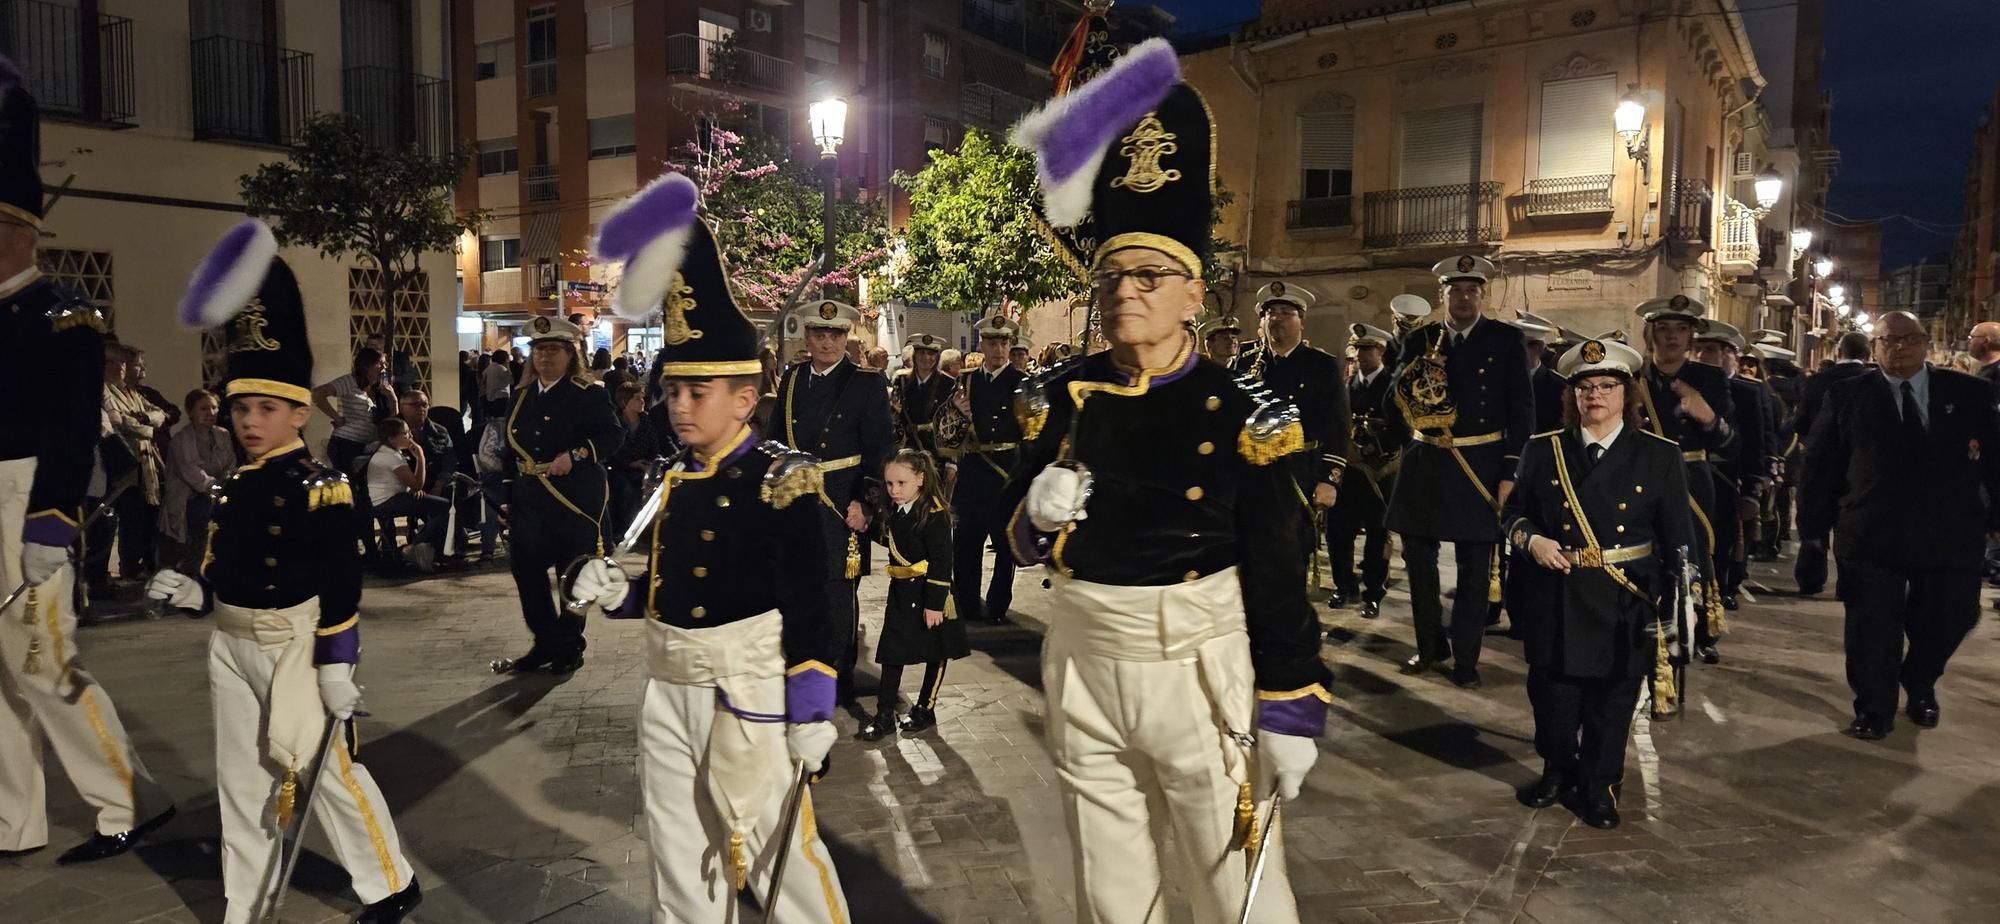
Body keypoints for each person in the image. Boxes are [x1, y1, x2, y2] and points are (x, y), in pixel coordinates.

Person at [1009, 37, 1326, 919]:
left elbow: (1277, 566)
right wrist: (1035, 518)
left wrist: (1292, 697)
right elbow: (1019, 536)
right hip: (1081, 653)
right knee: (1108, 887)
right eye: (1112, 272)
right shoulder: (1063, 397)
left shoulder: (1242, 415)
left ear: (1196, 294)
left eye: (1152, 274)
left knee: (1235, 881)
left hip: (1194, 662)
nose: (1125, 292)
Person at [576, 185, 851, 920]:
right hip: (670, 682)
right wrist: (622, 595)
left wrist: (813, 700)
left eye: (701, 390)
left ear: (746, 396)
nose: (682, 405)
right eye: (674, 391)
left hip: (746, 687)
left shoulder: (780, 479)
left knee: (776, 851)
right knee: (678, 853)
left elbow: (809, 599)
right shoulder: (678, 479)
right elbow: (679, 586)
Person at [152, 227, 420, 922]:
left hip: (294, 641)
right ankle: (248, 900)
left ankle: (388, 879)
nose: (249, 421)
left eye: (265, 407)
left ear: (299, 411)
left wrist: (337, 659)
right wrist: (194, 591)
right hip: (231, 641)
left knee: (324, 769)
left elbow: (341, 579)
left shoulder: (319, 484)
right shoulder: (233, 483)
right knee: (240, 779)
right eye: (241, 408)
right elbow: (218, 560)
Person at [0, 56, 175, 862]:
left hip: (24, 495)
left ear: (16, 231)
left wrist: (49, 519)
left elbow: (73, 432)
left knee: (43, 662)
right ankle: (13, 820)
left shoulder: (61, 318)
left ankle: (130, 800)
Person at [1503, 337, 1695, 830]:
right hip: (1556, 593)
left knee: (1612, 706)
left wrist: (1682, 612)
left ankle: (1601, 787)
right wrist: (1532, 542)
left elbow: (1678, 540)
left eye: (1608, 385)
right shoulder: (1543, 450)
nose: (1595, 396)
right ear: (1572, 395)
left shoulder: (1658, 455)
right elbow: (1515, 515)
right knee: (1553, 701)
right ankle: (1556, 771)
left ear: (1626, 393)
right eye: (1585, 387)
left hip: (1623, 597)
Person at [1798, 312, 2000, 740]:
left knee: (1954, 614)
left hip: (1949, 531)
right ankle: (1874, 709)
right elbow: (1820, 466)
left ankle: (1920, 680)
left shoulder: (1970, 393)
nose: (1899, 349)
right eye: (1888, 341)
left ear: (1926, 343)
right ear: (1875, 348)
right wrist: (1814, 530)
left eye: (1908, 340)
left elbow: (1996, 463)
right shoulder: (1847, 395)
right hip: (1871, 530)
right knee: (1872, 627)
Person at [1383, 255, 1535, 688]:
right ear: (1442, 295)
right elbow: (1393, 399)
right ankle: (1430, 647)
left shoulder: (1506, 340)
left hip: (1479, 465)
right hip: (1425, 463)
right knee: (1418, 564)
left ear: (1482, 295)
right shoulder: (1422, 338)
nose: (1463, 298)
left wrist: (1511, 471)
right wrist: (1418, 375)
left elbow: (1522, 412)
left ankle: (1466, 658)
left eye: (1471, 290)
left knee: (1473, 570)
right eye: (1455, 291)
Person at [775, 299, 894, 705]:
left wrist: (866, 502)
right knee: (795, 588)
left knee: (838, 594)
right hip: (797, 505)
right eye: (820, 334)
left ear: (848, 337)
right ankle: (799, 666)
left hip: (841, 504)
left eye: (836, 334)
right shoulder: (791, 380)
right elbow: (775, 442)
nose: (827, 342)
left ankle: (836, 675)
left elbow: (879, 450)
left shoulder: (867, 382)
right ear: (806, 336)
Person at [488, 314, 623, 674]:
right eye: (538, 350)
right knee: (527, 573)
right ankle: (545, 642)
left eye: (553, 350)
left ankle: (568, 645)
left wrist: (576, 456)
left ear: (570, 353)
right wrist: (506, 496)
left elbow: (613, 436)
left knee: (575, 578)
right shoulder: (520, 396)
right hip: (530, 501)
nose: (545, 357)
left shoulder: (588, 393)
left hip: (574, 500)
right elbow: (510, 451)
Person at [1631, 295, 1736, 665]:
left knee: (1694, 552)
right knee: (1649, 549)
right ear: (1650, 335)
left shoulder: (1709, 378)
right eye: (1663, 329)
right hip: (1643, 476)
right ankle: (1651, 620)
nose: (1671, 337)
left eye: (1680, 329)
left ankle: (1702, 629)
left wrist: (1706, 415)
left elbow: (1727, 439)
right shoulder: (1633, 378)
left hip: (1692, 475)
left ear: (1692, 336)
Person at [1231, 281, 1352, 597]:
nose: (1277, 319)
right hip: (1250, 476)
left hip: (1299, 474)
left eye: (1286, 312)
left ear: (1302, 320)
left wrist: (1330, 480)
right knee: (1248, 556)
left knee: (1290, 558)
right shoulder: (1244, 364)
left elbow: (1337, 427)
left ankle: (1287, 629)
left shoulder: (1320, 366)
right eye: (1270, 313)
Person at [858, 449, 969, 740]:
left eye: (901, 483)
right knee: (892, 653)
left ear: (920, 479)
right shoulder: (898, 508)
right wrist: (864, 526)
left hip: (928, 592)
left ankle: (925, 707)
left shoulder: (935, 513)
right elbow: (895, 540)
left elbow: (943, 561)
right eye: (890, 484)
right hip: (902, 592)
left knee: (937, 651)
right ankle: (884, 716)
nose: (894, 490)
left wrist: (934, 605)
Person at [948, 313, 1026, 625]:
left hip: (1006, 473)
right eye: (992, 342)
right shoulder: (965, 380)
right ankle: (967, 604)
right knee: (966, 543)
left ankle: (997, 607)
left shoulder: (1022, 384)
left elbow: (1032, 434)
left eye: (1004, 342)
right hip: (973, 472)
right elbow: (947, 431)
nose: (998, 348)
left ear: (1010, 345)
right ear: (981, 344)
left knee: (1005, 546)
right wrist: (955, 414)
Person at [1692, 322, 1776, 610]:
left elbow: (1757, 444)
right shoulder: (1683, 387)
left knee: (1723, 545)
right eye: (1699, 349)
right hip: (1692, 480)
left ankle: (1721, 593)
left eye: (1711, 350)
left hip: (1728, 482)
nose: (1703, 355)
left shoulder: (1746, 392)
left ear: (1731, 356)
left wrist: (1753, 490)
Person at [1327, 323, 1406, 620]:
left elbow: (1402, 430)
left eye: (1367, 349)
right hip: (1349, 473)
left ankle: (1373, 593)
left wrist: (1373, 448)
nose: (1360, 355)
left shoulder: (1393, 386)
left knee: (1377, 536)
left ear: (1381, 351)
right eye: (1357, 349)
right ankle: (1343, 585)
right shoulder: (1346, 386)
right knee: (1339, 533)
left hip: (1379, 474)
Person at [1789, 331, 1871, 594]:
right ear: (1868, 354)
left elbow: (1800, 421)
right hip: (1860, 466)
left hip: (1821, 464)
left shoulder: (1818, 381)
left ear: (1839, 352)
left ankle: (1811, 577)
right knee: (1853, 526)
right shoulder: (1873, 383)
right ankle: (1849, 583)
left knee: (1815, 522)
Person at [100, 340, 168, 585]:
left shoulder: (133, 393)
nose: (120, 367)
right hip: (123, 463)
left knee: (144, 517)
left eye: (122, 363)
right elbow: (120, 424)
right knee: (124, 518)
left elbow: (162, 414)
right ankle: (124, 568)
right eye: (114, 362)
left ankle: (139, 565)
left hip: (146, 463)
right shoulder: (104, 391)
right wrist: (146, 427)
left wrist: (144, 418)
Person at [159, 389, 235, 572]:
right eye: (204, 408)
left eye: (214, 408)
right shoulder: (181, 440)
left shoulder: (223, 435)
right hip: (188, 500)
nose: (211, 413)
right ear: (190, 412)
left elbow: (231, 464)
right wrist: (215, 488)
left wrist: (228, 484)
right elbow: (192, 473)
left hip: (214, 496)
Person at [366, 418, 452, 572]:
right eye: (405, 433)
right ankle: (415, 546)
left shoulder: (389, 452)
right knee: (446, 508)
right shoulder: (392, 457)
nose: (410, 436)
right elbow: (418, 484)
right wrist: (420, 458)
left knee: (435, 506)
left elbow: (410, 484)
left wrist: (412, 488)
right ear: (391, 438)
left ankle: (426, 550)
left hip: (390, 497)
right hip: (389, 501)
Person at [313, 347, 395, 476]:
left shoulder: (380, 389)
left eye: (385, 364)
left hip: (369, 445)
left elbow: (393, 421)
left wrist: (392, 397)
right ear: (367, 365)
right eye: (380, 363)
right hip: (346, 444)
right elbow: (318, 394)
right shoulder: (350, 381)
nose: (384, 367)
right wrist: (337, 417)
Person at [896, 333, 955, 457]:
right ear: (914, 355)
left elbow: (953, 423)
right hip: (908, 449)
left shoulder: (948, 383)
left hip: (937, 450)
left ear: (937, 357)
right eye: (921, 353)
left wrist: (952, 462)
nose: (926, 357)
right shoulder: (901, 381)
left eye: (931, 354)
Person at [481, 348, 515, 417]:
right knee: (501, 419)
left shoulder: (488, 368)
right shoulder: (502, 369)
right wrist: (508, 368)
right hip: (501, 397)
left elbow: (483, 381)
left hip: (490, 396)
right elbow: (511, 381)